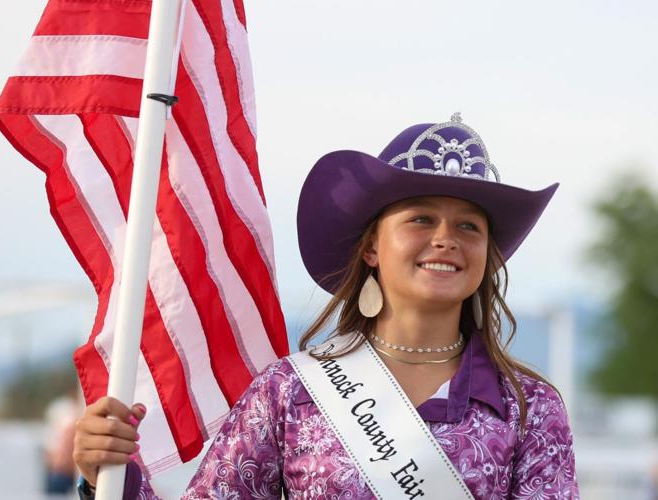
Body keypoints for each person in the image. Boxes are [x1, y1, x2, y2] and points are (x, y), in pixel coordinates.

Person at [73, 113, 579, 498]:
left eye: (469, 226)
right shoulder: (288, 392)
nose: (446, 238)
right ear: (372, 247)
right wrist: (110, 477)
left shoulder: (529, 408)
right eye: (421, 219)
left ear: (485, 257)